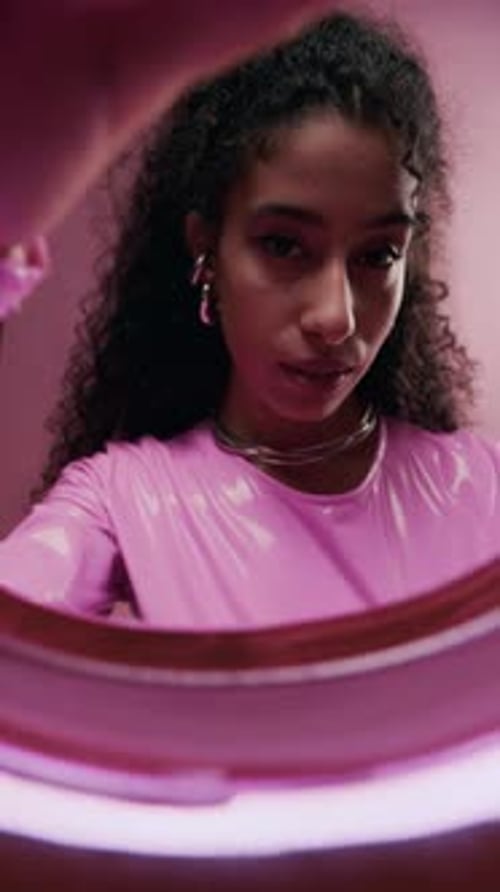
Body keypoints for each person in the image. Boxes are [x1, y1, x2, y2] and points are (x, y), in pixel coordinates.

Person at [0, 10, 498, 628]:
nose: (335, 317)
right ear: (207, 248)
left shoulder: (482, 486)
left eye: (377, 255)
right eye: (284, 245)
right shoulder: (125, 499)